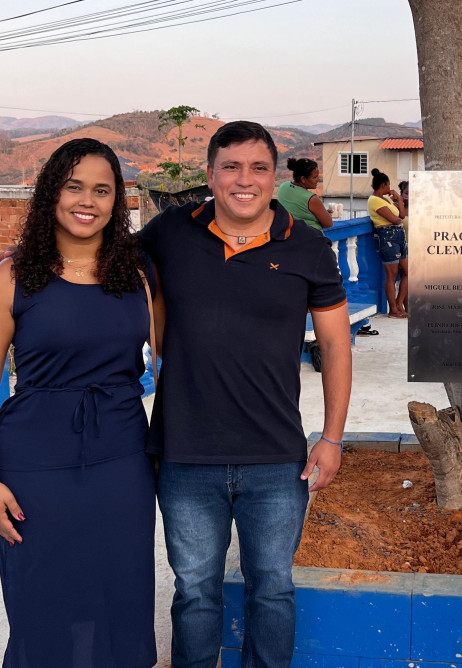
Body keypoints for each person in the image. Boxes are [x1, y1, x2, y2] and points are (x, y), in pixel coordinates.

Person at [139, 120, 352, 668]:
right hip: (186, 456)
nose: (244, 180)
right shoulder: (170, 232)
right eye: (230, 167)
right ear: (210, 174)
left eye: (258, 168)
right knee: (194, 593)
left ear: (274, 176)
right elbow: (91, 252)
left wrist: (331, 438)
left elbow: (335, 347)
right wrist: (25, 251)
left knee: (273, 589)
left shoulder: (307, 247)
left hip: (277, 458)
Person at [0, 138, 157, 667]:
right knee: (42, 598)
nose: (87, 201)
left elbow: (178, 356)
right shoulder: (13, 277)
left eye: (102, 190)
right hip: (34, 463)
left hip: (122, 459)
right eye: (74, 186)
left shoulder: (137, 275)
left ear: (118, 201)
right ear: (52, 192)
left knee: (121, 591)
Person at [368, 168, 408, 317]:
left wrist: (398, 198)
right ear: (383, 185)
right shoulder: (374, 201)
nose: (389, 188)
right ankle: (393, 309)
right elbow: (395, 219)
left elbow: (401, 215)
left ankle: (398, 303)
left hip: (399, 235)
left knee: (409, 272)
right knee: (391, 275)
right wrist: (398, 217)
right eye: (388, 184)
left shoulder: (387, 199)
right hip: (388, 237)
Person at [275, 157, 334, 231]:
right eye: (314, 177)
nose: (318, 179)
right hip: (310, 238)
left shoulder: (283, 186)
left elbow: (297, 211)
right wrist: (325, 216)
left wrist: (322, 213)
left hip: (287, 234)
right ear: (303, 179)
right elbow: (328, 224)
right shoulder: (311, 198)